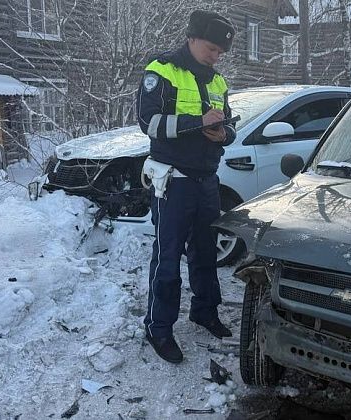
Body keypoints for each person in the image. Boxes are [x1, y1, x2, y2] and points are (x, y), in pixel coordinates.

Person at [136, 10, 237, 364]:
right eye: (211, 48)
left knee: (206, 253)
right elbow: (148, 122)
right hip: (173, 179)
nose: (215, 56)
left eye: (220, 52)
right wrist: (197, 123)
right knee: (168, 256)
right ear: (192, 38)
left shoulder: (218, 82)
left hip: (206, 179)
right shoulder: (161, 70)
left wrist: (224, 133)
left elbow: (229, 127)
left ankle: (204, 311)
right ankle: (159, 327)